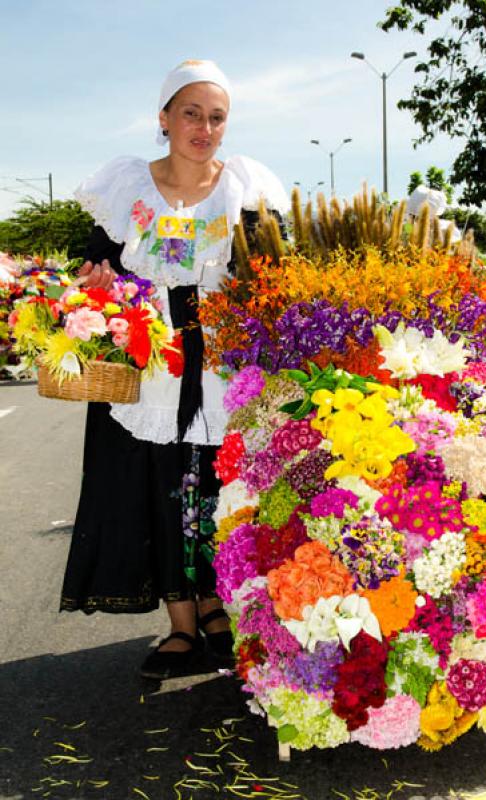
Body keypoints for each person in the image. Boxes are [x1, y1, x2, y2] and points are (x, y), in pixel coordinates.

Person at [60, 59, 289, 679]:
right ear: (164, 119)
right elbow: (93, 269)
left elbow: (274, 271)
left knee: (221, 489)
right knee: (158, 490)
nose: (204, 127)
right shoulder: (127, 188)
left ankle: (220, 613)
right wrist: (98, 283)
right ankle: (182, 626)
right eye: (191, 113)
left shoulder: (245, 190)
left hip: (223, 365)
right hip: (152, 367)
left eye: (217, 117)